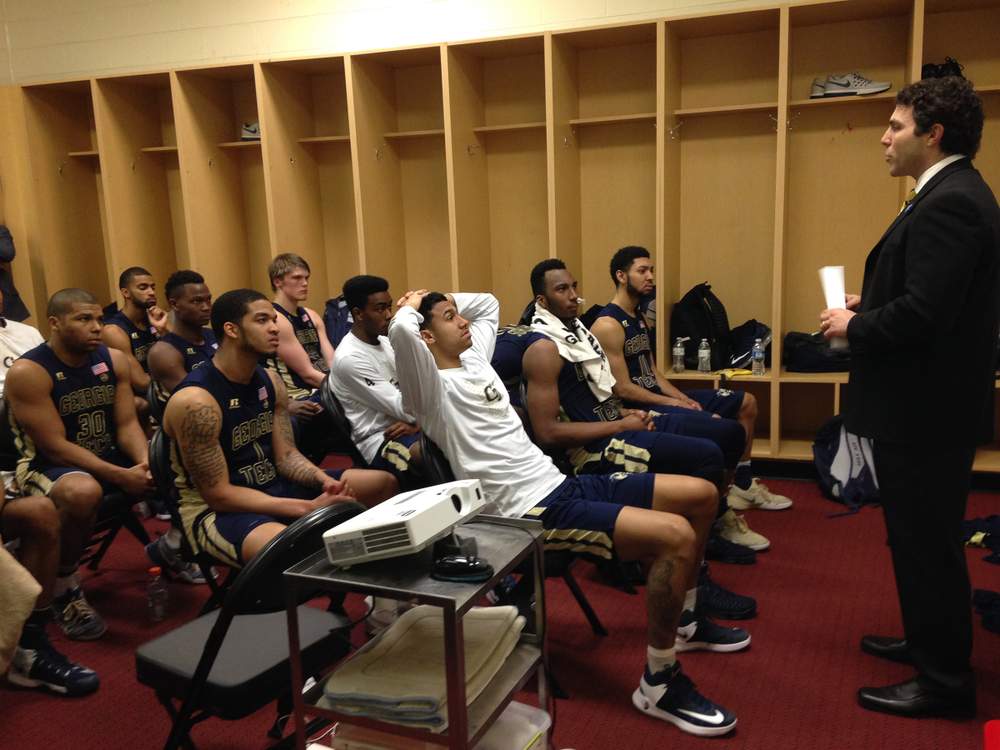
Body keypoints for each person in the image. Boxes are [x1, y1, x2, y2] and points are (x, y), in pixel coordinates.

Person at [390, 289, 743, 737]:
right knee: (675, 535)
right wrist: (408, 305)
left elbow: (489, 304)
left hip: (560, 484)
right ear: (425, 336)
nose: (462, 322)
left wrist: (440, 298)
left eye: (457, 315)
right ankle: (659, 680)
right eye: (447, 318)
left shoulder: (475, 358)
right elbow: (402, 336)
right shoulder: (429, 389)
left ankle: (687, 620)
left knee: (701, 495)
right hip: (528, 513)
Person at [820, 76, 999, 718]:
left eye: (895, 125)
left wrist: (856, 326)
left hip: (926, 411)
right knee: (921, 541)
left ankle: (945, 682)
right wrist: (876, 302)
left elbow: (926, 314)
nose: (883, 136)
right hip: (930, 407)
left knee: (928, 546)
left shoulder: (950, 201)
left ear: (934, 134)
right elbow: (932, 295)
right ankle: (928, 643)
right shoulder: (947, 193)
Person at [522, 261, 756, 619]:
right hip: (596, 446)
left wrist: (634, 415)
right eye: (562, 290)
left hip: (619, 420)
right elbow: (550, 430)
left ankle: (704, 539)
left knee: (722, 436)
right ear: (542, 299)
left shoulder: (578, 330)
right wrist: (620, 424)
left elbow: (610, 393)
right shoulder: (543, 347)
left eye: (574, 286)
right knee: (707, 455)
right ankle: (694, 574)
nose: (573, 296)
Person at [163, 289, 397, 567]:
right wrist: (306, 509)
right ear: (232, 330)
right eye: (262, 320)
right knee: (295, 549)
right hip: (217, 511)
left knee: (383, 483)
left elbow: (286, 457)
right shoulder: (196, 402)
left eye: (274, 319)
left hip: (274, 484)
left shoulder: (271, 381)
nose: (275, 327)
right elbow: (219, 495)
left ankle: (384, 600)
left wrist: (324, 482)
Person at [591, 246, 792, 514]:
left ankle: (742, 484)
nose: (651, 276)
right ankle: (719, 506)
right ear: (621, 276)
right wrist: (673, 403)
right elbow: (623, 388)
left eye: (651, 270)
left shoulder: (639, 317)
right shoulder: (607, 324)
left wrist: (681, 397)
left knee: (746, 402)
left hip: (657, 396)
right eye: (642, 271)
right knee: (717, 426)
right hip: (639, 408)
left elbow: (652, 372)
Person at [5, 288, 155, 641]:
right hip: (45, 466)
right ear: (55, 324)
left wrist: (145, 462)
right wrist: (121, 475)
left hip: (104, 454)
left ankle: (176, 546)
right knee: (82, 491)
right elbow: (55, 447)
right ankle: (64, 585)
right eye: (84, 319)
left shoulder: (113, 360)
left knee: (170, 461)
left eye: (99, 319)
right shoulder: (29, 371)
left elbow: (126, 424)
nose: (96, 327)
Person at [0, 288, 97, 695]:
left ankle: (30, 644)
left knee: (41, 512)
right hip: (22, 453)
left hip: (12, 453)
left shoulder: (25, 336)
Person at [329, 275, 422, 480]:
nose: (389, 315)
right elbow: (404, 408)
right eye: (380, 309)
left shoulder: (385, 341)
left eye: (390, 307)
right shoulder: (350, 358)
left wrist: (419, 423)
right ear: (358, 314)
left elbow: (417, 386)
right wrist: (420, 422)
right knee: (430, 453)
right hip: (380, 439)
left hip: (409, 424)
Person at [263, 253, 335, 459]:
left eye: (307, 278)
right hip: (299, 393)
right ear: (278, 281)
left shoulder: (311, 315)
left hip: (325, 386)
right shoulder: (276, 319)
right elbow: (307, 374)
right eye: (297, 278)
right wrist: (350, 390)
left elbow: (332, 362)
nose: (304, 283)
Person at [147, 270, 217, 411]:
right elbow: (195, 402)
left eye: (208, 300)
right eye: (196, 301)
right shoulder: (163, 352)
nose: (206, 307)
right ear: (174, 304)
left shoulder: (215, 336)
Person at [101, 266, 169, 399]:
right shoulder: (114, 330)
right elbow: (141, 383)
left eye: (153, 287)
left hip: (163, 385)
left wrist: (163, 331)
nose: (151, 292)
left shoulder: (157, 318)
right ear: (126, 293)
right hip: (139, 395)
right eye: (143, 288)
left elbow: (180, 359)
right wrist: (176, 381)